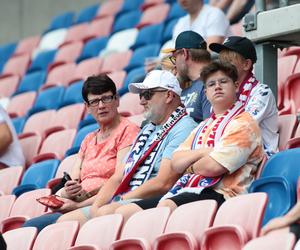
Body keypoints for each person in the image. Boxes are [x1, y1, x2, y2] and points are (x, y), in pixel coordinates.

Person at [114, 60, 264, 222]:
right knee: (124, 213)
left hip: (226, 194)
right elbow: (176, 163)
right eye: (211, 84)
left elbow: (213, 167)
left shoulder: (244, 123)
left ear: (236, 86)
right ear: (205, 92)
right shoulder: (203, 126)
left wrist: (189, 167)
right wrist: (202, 153)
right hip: (190, 189)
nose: (217, 87)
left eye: (223, 82)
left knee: (165, 208)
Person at [56, 70, 197, 226]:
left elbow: (163, 182)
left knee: (106, 213)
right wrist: (96, 206)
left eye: (147, 95)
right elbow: (118, 176)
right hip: (126, 196)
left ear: (169, 96)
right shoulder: (147, 130)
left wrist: (122, 198)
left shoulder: (183, 127)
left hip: (153, 198)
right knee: (63, 223)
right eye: (141, 96)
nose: (142, 101)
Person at [22, 74, 140, 231]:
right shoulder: (89, 139)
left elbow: (120, 181)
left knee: (43, 228)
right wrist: (68, 191)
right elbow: (73, 179)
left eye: (106, 98)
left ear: (117, 99)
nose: (101, 105)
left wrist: (76, 205)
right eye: (94, 101)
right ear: (87, 107)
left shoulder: (128, 130)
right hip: (80, 202)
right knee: (29, 226)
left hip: (105, 202)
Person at [209, 36, 279, 156]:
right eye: (221, 62)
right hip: (229, 153)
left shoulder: (262, 92)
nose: (221, 68)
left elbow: (241, 129)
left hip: (260, 159)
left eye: (228, 62)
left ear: (246, 64)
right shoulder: (223, 94)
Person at [163, 30, 212, 123]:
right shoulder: (183, 87)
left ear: (184, 53)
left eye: (174, 58)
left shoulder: (212, 83)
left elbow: (210, 129)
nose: (175, 65)